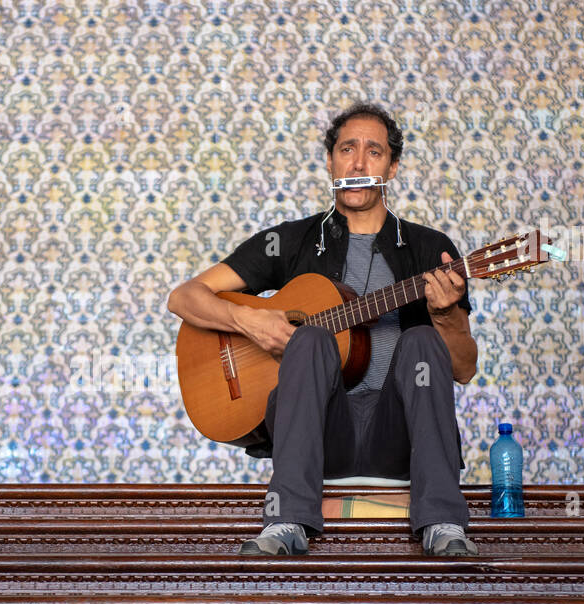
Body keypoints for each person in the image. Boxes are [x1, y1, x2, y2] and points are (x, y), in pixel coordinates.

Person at [166, 103, 480, 556]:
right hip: (316, 438)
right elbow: (184, 297)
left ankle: (443, 523)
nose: (358, 161)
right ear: (330, 161)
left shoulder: (431, 248)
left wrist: (447, 314)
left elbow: (465, 369)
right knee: (311, 336)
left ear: (392, 167)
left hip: (400, 439)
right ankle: (287, 520)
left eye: (374, 152)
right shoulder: (289, 242)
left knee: (421, 338)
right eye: (347, 148)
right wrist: (248, 320)